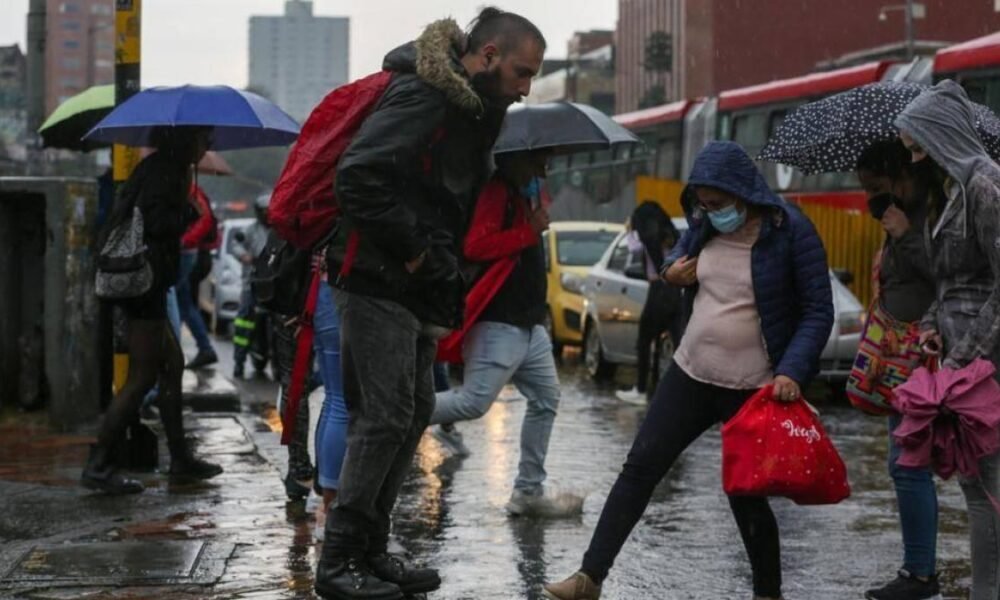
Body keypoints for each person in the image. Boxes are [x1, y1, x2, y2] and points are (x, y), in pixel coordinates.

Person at [314, 8, 545, 599]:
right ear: (488, 55)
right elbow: (357, 177)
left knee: (413, 409)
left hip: (416, 283)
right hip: (376, 277)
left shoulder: (473, 108)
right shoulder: (426, 96)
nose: (525, 89)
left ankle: (370, 550)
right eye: (522, 73)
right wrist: (416, 252)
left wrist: (437, 270)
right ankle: (339, 563)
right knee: (385, 414)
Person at [543, 141, 834, 600]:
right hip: (690, 371)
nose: (710, 211)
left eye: (718, 203)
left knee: (745, 494)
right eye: (703, 203)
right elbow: (675, 257)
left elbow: (819, 310)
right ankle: (588, 578)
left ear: (742, 191)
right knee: (639, 469)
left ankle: (768, 594)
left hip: (753, 386)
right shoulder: (703, 222)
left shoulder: (790, 229)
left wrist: (793, 371)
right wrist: (672, 271)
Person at [429, 149, 584, 518]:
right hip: (498, 322)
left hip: (529, 327)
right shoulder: (496, 192)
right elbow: (475, 246)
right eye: (538, 164)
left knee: (546, 397)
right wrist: (527, 232)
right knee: (473, 403)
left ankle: (528, 491)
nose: (544, 171)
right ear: (517, 160)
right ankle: (395, 415)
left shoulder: (521, 195)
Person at [897, 79, 1000, 600]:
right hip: (959, 369)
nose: (915, 158)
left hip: (984, 370)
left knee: (986, 492)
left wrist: (965, 358)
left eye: (918, 145)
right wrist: (933, 327)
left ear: (941, 136)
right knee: (977, 488)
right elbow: (948, 283)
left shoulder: (986, 187)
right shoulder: (952, 192)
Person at [82, 126, 223, 495]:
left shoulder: (158, 168)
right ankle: (99, 465)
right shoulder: (167, 173)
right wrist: (189, 216)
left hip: (146, 283)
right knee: (143, 376)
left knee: (172, 366)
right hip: (145, 286)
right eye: (203, 138)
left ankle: (180, 458)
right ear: (184, 139)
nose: (207, 145)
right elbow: (158, 226)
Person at [854, 140, 941, 600]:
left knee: (912, 463)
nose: (871, 197)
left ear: (899, 177)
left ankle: (921, 575)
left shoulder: (931, 213)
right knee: (905, 463)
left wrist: (905, 234)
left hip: (927, 358)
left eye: (875, 187)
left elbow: (943, 275)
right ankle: (918, 569)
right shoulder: (903, 213)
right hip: (901, 361)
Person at [615, 201, 682, 405]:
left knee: (644, 340)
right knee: (680, 343)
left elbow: (633, 248)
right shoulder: (671, 239)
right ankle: (683, 395)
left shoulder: (649, 239)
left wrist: (629, 231)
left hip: (658, 290)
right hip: (676, 291)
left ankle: (641, 389)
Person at [176, 182, 219, 370]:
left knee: (177, 300)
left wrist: (185, 241)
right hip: (191, 252)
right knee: (184, 302)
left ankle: (179, 351)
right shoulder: (188, 186)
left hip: (187, 253)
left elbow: (205, 219)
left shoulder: (189, 188)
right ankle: (204, 347)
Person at [233, 194, 272, 379]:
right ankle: (239, 362)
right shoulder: (250, 230)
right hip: (252, 284)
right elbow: (236, 244)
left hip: (273, 284)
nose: (266, 215)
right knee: (244, 319)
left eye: (269, 211)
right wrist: (244, 256)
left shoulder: (279, 230)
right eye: (263, 211)